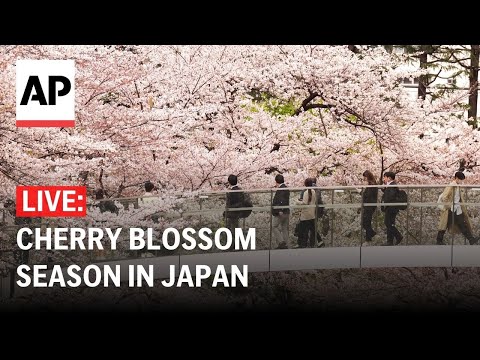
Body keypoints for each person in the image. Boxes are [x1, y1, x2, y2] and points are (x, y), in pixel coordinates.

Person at [436, 171, 478, 245]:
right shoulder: (451, 186)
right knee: (445, 225)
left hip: (456, 208)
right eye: (460, 179)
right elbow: (444, 197)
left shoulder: (457, 186)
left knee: (460, 224)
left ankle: (471, 239)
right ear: (456, 178)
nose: (461, 181)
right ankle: (439, 240)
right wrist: (449, 205)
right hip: (451, 209)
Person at [381, 171, 403, 246]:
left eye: (385, 177)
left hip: (391, 207)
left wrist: (384, 201)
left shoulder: (392, 185)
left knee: (387, 223)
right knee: (390, 223)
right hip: (391, 207)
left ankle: (398, 236)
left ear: (389, 178)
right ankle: (389, 241)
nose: (383, 179)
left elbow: (390, 196)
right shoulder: (391, 185)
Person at [272, 174, 290, 249]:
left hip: (281, 212)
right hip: (286, 211)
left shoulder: (281, 189)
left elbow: (281, 200)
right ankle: (287, 244)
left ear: (276, 181)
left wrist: (280, 210)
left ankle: (281, 242)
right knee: (284, 228)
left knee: (274, 226)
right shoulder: (286, 188)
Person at [296, 178, 316, 248]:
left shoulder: (306, 192)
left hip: (305, 215)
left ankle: (302, 244)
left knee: (303, 231)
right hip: (312, 214)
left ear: (305, 184)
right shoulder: (313, 191)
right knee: (311, 230)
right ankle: (313, 243)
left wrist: (297, 202)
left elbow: (304, 203)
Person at [360, 170, 378, 242]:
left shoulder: (371, 184)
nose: (364, 179)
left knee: (365, 222)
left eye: (365, 177)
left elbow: (368, 195)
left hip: (369, 206)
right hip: (369, 205)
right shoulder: (371, 184)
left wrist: (362, 193)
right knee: (367, 222)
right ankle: (368, 238)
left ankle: (372, 233)